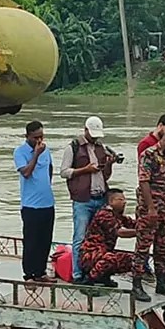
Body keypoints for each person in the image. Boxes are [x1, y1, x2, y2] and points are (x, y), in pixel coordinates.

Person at [60, 116, 120, 283]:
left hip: (100, 197)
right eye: (92, 134)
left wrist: (110, 164)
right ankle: (78, 274)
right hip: (83, 200)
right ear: (85, 130)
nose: (95, 138)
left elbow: (105, 175)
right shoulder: (73, 147)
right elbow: (64, 172)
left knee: (102, 238)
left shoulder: (101, 148)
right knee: (80, 237)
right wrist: (85, 169)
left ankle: (99, 272)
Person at [133, 127, 165, 302]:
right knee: (143, 248)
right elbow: (143, 182)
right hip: (150, 209)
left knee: (162, 248)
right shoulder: (149, 155)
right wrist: (151, 208)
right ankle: (137, 284)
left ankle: (161, 282)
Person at [14, 120, 56, 283]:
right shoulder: (20, 152)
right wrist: (36, 154)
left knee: (45, 240)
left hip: (47, 203)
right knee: (31, 240)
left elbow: (49, 170)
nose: (39, 141)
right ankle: (29, 275)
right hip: (30, 205)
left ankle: (40, 272)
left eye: (41, 137)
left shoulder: (46, 151)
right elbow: (26, 173)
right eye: (35, 138)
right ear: (27, 136)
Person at [79, 188, 138, 288]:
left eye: (124, 199)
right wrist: (140, 233)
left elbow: (133, 224)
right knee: (110, 259)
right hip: (90, 255)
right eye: (120, 200)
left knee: (131, 260)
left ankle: (104, 277)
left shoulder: (117, 215)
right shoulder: (104, 214)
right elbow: (120, 233)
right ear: (111, 202)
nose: (124, 202)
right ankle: (89, 280)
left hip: (103, 253)